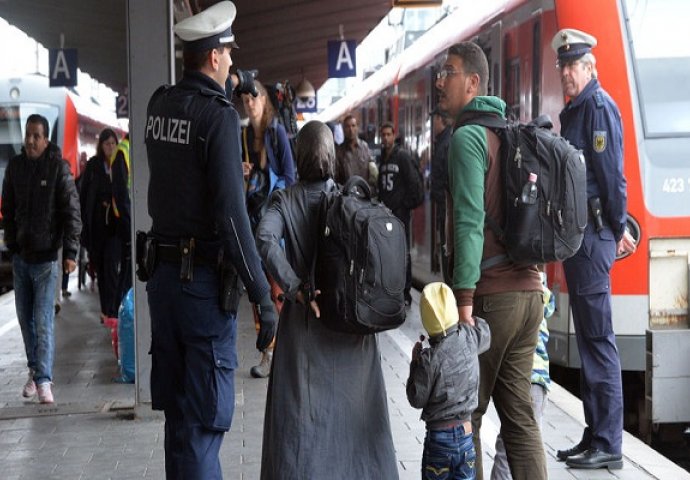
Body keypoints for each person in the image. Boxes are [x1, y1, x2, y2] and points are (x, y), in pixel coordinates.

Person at [143, 2, 277, 478]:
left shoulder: (160, 105)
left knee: (180, 422)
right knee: (203, 425)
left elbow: (179, 182)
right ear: (215, 57)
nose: (231, 64)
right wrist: (263, 297)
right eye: (227, 53)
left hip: (162, 284)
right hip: (200, 289)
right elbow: (231, 218)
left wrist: (223, 176)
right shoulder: (217, 117)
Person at [255, 120, 399, 479]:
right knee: (358, 425)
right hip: (353, 327)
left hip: (305, 327)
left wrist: (295, 287)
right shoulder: (351, 198)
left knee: (302, 424)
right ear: (331, 157)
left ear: (299, 156)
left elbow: (264, 239)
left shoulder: (284, 200)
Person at [436, 41, 546, 479]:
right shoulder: (507, 131)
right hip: (530, 296)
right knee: (519, 419)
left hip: (491, 299)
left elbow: (466, 222)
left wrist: (463, 307)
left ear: (473, 82)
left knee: (467, 412)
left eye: (449, 72)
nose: (440, 81)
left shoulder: (467, 138)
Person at [551, 28, 635, 470]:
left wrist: (616, 227)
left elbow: (613, 179)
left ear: (590, 68)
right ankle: (595, 433)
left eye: (574, 66)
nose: (566, 72)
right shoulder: (577, 110)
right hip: (581, 240)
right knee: (588, 342)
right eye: (562, 66)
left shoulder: (598, 110)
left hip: (595, 237)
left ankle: (609, 443)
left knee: (599, 342)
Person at [1, 113, 82, 404]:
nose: (31, 140)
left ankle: (45, 381)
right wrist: (11, 244)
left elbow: (72, 212)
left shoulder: (58, 168)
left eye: (36, 136)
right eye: (28, 135)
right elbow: (7, 209)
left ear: (46, 139)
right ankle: (35, 370)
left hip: (48, 260)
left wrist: (70, 253)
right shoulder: (15, 168)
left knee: (43, 319)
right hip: (22, 258)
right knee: (25, 321)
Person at [407, 282, 490, 480]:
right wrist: (469, 319)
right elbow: (486, 334)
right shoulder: (470, 336)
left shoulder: (428, 359)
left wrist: (415, 365)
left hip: (439, 439)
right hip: (466, 434)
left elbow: (416, 399)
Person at [241, 79, 296, 378]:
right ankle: (268, 351)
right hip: (252, 218)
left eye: (254, 98)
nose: (249, 104)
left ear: (264, 100)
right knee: (258, 287)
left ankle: (284, 353)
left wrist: (278, 212)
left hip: (272, 220)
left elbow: (289, 176)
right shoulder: (246, 135)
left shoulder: (276, 133)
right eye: (245, 100)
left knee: (277, 287)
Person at [490, 272, 555, 479]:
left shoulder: (514, 301)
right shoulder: (541, 300)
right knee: (525, 438)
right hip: (539, 381)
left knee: (512, 444)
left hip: (525, 376)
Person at [80, 129, 121, 323]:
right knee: (101, 271)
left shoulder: (120, 164)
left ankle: (112, 311)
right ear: (101, 146)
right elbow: (85, 195)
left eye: (113, 143)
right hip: (97, 229)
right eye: (107, 144)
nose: (110, 147)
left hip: (115, 228)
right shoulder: (94, 166)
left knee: (112, 269)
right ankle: (106, 310)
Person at [377, 121, 417, 306]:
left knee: (402, 252)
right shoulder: (382, 158)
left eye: (388, 134)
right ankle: (393, 289)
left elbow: (414, 184)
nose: (385, 138)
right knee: (389, 252)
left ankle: (406, 292)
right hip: (386, 213)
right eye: (383, 135)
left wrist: (404, 205)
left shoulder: (402, 157)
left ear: (394, 136)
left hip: (399, 214)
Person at [429, 108, 453, 281]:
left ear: (441, 119)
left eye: (434, 119)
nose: (432, 124)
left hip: (446, 208)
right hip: (445, 207)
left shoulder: (445, 143)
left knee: (448, 251)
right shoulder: (444, 141)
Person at [110, 134, 132, 316]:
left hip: (128, 219)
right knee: (126, 272)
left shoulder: (127, 150)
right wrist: (130, 222)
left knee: (128, 270)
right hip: (125, 222)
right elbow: (121, 193)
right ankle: (117, 314)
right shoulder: (122, 152)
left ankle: (118, 313)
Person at [335, 114, 376, 190]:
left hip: (364, 195)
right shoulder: (339, 151)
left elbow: (372, 173)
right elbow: (336, 177)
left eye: (353, 126)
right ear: (344, 129)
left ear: (357, 127)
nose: (351, 130)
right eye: (347, 126)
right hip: (347, 197)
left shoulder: (365, 147)